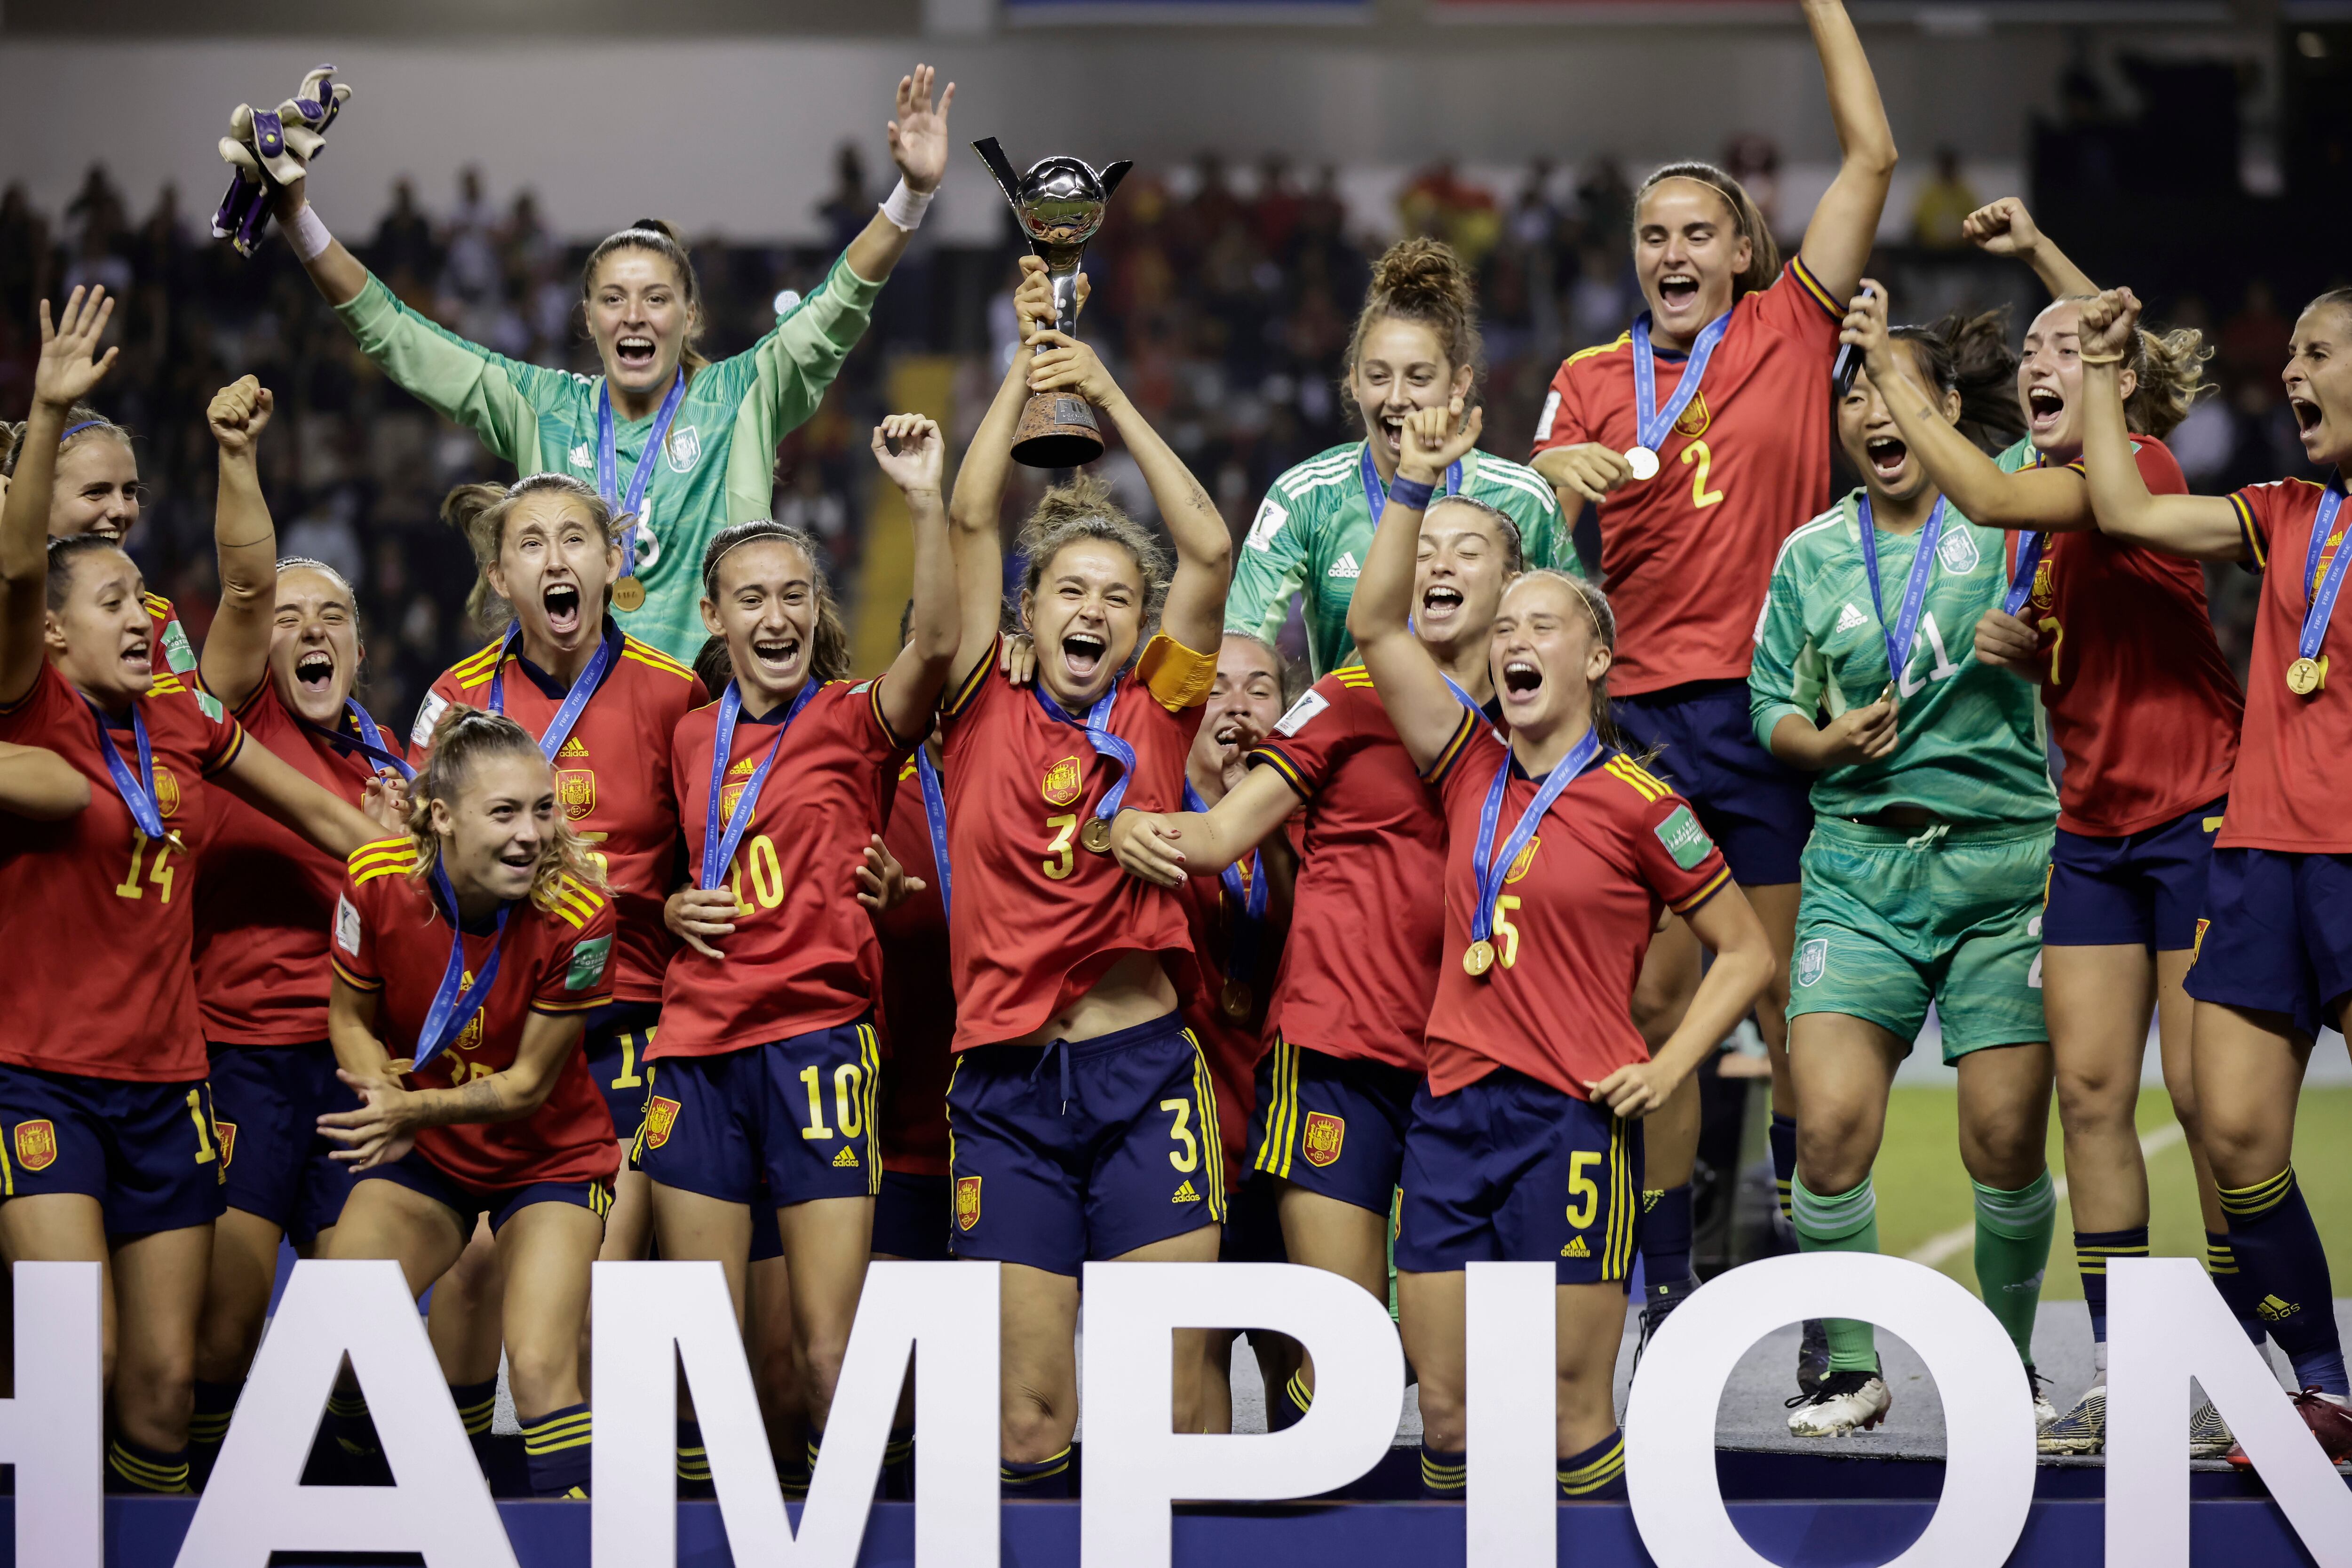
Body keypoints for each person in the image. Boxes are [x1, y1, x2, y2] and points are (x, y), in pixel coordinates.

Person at [1527, 0, 1896, 1355]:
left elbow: (1871, 155)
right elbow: (1520, 543)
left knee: (1796, 1003)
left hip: (1770, 716)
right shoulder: (1582, 379)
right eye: (1653, 235)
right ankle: (1671, 1285)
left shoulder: (1796, 326)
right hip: (1640, 726)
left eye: (1698, 231)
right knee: (1657, 1006)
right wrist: (1540, 477)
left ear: (1745, 250)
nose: (1673, 252)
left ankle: (1804, 1291)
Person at [1865, 198, 2246, 1456]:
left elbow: (1971, 487)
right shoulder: (2049, 519)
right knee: (2091, 1098)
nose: (2039, 365)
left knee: (2208, 1099)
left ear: (2115, 385)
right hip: (2092, 835)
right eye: (2026, 356)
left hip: (2196, 818)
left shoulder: (2147, 474)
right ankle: (2135, 1381)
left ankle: (2258, 1376)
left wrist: (1892, 370)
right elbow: (2091, 640)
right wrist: (2038, 661)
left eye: (2064, 353)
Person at [0, 287, 390, 1495]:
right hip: (41, 1068)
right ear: (54, 633)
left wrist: (410, 856)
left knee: (166, 1385)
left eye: (140, 591)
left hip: (170, 1082)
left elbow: (321, 810)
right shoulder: (30, 696)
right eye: (116, 601)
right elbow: (20, 567)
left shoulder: (171, 709)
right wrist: (48, 410)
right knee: (83, 1356)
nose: (147, 616)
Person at [1351, 399, 1771, 1500]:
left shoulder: (1644, 804)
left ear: (1595, 657)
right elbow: (1376, 631)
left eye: (1541, 626)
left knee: (1568, 1407)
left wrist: (1668, 1067)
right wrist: (1413, 484)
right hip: (1449, 1113)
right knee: (1444, 1410)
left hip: (1572, 1120)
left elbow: (1744, 954)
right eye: (1505, 631)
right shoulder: (1464, 763)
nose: (1514, 643)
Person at [270, 67, 954, 663]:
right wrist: (298, 216)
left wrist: (912, 196)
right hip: (580, 724)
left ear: (689, 318)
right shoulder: (543, 405)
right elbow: (400, 336)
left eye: (657, 299)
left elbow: (838, 304)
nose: (634, 316)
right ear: (589, 319)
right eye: (614, 300)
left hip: (715, 721)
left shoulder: (742, 394)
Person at [1112, 492, 1523, 1431]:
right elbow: (1219, 834)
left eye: (1467, 550)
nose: (1438, 566)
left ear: (1510, 582)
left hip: (1470, 1066)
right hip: (1335, 1054)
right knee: (1345, 1351)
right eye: (1422, 550)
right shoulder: (1339, 698)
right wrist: (1121, 823)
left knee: (1443, 1359)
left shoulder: (1530, 723)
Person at [940, 256, 1231, 1489]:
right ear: (1028, 610)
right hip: (1006, 1090)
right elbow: (966, 517)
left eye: (1118, 596)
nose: (1097, 608)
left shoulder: (1160, 706)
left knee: (1173, 1404)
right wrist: (1025, 366)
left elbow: (1208, 547)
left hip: (1144, 1075)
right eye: (1072, 588)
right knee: (1027, 1416)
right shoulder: (976, 700)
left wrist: (1102, 387)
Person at [1752, 290, 2059, 1438]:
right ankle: (1846, 1367)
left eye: (1891, 388)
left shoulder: (2010, 514)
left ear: (1940, 411)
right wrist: (1820, 742)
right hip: (1857, 868)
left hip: (2002, 867)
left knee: (2001, 1137)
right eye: (1853, 394)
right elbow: (1771, 709)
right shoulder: (1809, 554)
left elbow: (2083, 627)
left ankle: (2012, 1367)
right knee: (1826, 1128)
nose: (1870, 411)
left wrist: (2042, 651)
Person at [642, 411, 956, 1490]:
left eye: (792, 596)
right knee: (709, 1358)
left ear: (814, 613)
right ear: (715, 616)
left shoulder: (852, 722)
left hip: (816, 1044)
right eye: (751, 599)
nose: (773, 616)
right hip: (693, 1050)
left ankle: (878, 1523)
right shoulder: (687, 737)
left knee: (832, 1354)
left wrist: (922, 500)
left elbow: (939, 649)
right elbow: (648, 876)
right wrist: (673, 907)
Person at [2073, 282, 2352, 1464]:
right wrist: (2096, 364)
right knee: (2235, 1135)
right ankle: (2324, 1389)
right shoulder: (2284, 508)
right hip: (2256, 856)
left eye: (2319, 352)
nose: (2291, 373)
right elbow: (2126, 508)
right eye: (2288, 354)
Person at [183, 375, 416, 1486]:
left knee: (351, 1338)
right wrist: (238, 458)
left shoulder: (398, 776)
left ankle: (318, 1520)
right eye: (289, 619)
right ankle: (190, 1526)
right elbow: (241, 582)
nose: (309, 631)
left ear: (363, 656)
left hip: (348, 1072)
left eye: (334, 619)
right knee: (221, 1337)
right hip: (236, 1064)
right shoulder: (232, 718)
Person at [318, 708, 619, 1498]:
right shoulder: (376, 879)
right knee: (336, 1330)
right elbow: (349, 1015)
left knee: (542, 1359)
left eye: (544, 809)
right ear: (443, 816)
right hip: (432, 1157)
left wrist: (407, 1111)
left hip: (547, 1158)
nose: (532, 834)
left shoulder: (582, 915)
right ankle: (388, 1504)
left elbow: (525, 1087)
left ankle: (574, 1549)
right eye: (506, 812)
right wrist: (381, 1088)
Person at [420, 472, 706, 1272]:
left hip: (627, 1017)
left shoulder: (675, 692)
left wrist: (680, 898)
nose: (557, 559)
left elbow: (709, 851)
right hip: (497, 1015)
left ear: (613, 560)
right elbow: (419, 859)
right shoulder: (457, 700)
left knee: (596, 1283)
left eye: (575, 538)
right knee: (474, 1278)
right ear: (500, 576)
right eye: (532, 542)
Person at [1226, 235, 1578, 682]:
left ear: (1458, 384)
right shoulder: (1305, 497)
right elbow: (1242, 644)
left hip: (1487, 747)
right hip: (1354, 746)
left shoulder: (1522, 498)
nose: (1396, 399)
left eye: (1419, 377)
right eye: (1378, 376)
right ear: (1354, 382)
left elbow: (1572, 641)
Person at [1167, 633, 1299, 1433]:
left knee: (1304, 1378)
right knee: (1194, 1385)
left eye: (1261, 688)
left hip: (1291, 1152)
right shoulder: (1144, 810)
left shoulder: (1318, 821)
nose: (1241, 704)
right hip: (1187, 1147)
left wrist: (1274, 819)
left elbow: (1321, 931)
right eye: (1218, 688)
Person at [0, 313, 198, 692]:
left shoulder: (154, 617)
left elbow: (194, 733)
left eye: (129, 491)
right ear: (36, 501)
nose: (121, 512)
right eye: (96, 492)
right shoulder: (10, 614)